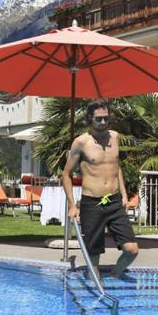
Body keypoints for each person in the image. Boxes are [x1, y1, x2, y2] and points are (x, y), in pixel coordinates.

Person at [62, 100, 139, 279]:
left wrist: (125, 195)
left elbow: (116, 166)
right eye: (99, 119)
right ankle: (96, 285)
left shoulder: (115, 137)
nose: (103, 123)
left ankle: (115, 276)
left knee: (132, 250)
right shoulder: (81, 142)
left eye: (106, 119)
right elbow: (66, 174)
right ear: (90, 119)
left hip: (114, 201)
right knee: (93, 258)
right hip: (92, 203)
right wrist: (72, 205)